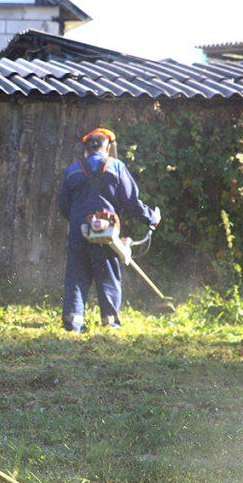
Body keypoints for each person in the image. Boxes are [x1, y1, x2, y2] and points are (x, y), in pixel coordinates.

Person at [57, 127, 160, 332]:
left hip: (80, 230)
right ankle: (110, 322)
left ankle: (73, 322)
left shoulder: (72, 170)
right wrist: (151, 218)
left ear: (87, 149)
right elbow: (132, 202)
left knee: (76, 275)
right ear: (107, 147)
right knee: (108, 274)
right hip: (106, 231)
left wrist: (80, 222)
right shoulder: (116, 166)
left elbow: (63, 205)